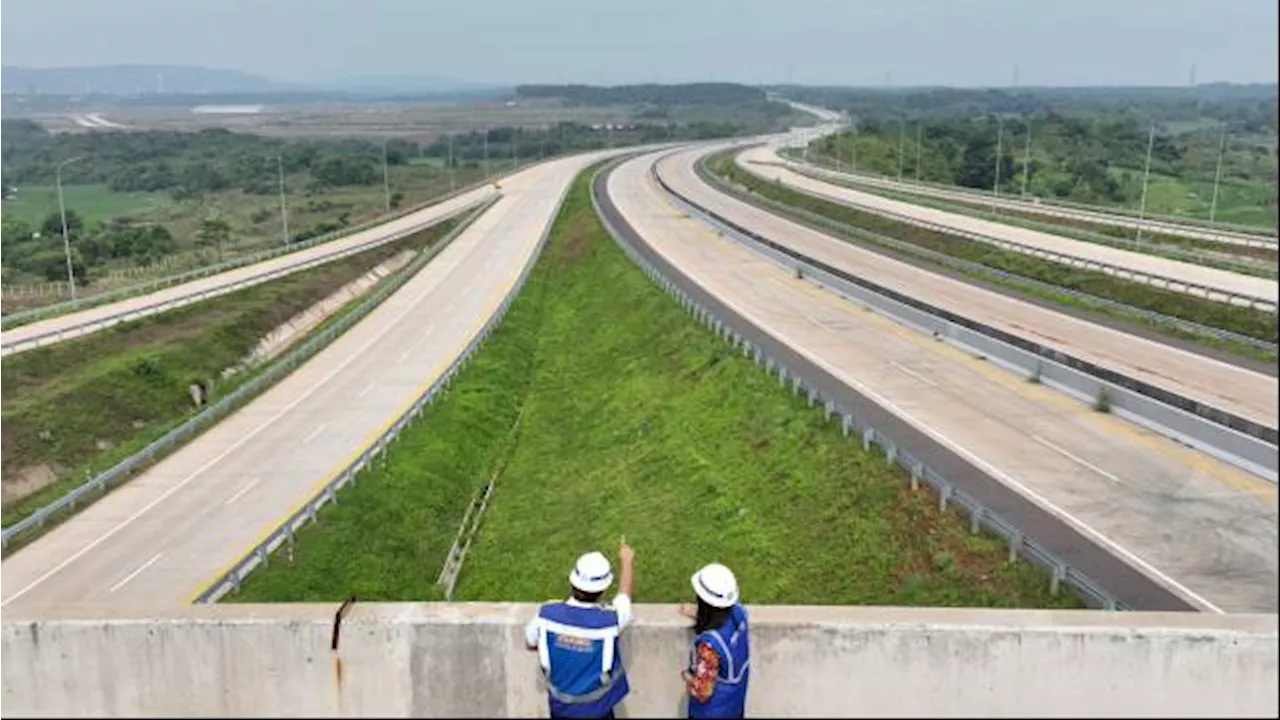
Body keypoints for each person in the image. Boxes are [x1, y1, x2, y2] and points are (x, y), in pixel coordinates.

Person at [525, 540, 635, 719]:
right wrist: (627, 560)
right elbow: (624, 596)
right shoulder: (610, 620)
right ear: (604, 589)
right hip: (598, 708)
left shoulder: (546, 614)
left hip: (560, 707)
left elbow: (530, 642)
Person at [680, 563, 750, 719]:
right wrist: (699, 614)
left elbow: (702, 692)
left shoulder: (710, 646)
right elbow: (723, 618)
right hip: (735, 704)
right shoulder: (740, 614)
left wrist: (687, 676)